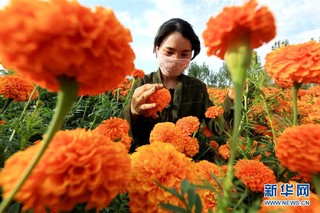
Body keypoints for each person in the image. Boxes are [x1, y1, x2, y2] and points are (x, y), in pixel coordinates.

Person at [121, 18, 234, 152]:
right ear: (157, 48)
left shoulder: (197, 88)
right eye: (169, 52)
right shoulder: (143, 84)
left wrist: (231, 99)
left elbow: (218, 127)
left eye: (184, 54)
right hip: (145, 160)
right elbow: (123, 132)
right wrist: (133, 111)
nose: (175, 58)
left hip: (184, 162)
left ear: (192, 54)